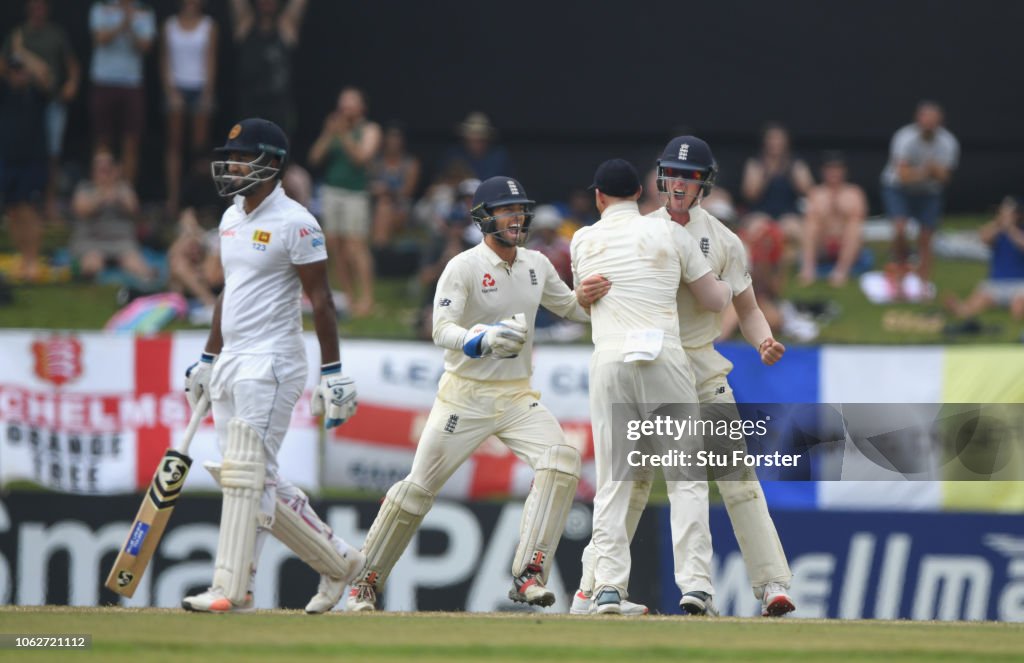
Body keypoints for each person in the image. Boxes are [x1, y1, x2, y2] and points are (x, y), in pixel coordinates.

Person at [344, 175, 611, 612]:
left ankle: (529, 574)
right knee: (417, 490)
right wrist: (481, 340)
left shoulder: (536, 264)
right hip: (463, 397)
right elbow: (440, 329)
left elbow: (573, 308)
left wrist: (593, 294)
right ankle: (364, 584)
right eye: (506, 210)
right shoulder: (463, 266)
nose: (516, 217)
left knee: (561, 460)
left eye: (520, 210)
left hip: (516, 396)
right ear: (484, 217)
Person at [572, 140, 795, 618]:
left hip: (701, 372)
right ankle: (594, 586)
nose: (678, 184)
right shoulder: (637, 229)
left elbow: (747, 307)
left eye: (689, 176)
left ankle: (771, 583)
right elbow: (593, 295)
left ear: (704, 184)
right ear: (658, 179)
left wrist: (762, 341)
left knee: (737, 479)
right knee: (629, 483)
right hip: (650, 369)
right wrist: (581, 293)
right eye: (672, 174)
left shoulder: (725, 241)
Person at [180, 118, 364, 613]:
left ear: (272, 164)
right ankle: (340, 561)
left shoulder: (297, 222)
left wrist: (333, 372)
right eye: (231, 156)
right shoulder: (231, 216)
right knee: (256, 479)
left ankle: (233, 586)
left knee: (246, 475)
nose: (234, 165)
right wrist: (206, 358)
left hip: (274, 361)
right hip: (232, 360)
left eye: (243, 157)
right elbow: (228, 293)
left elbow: (321, 300)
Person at [570, 158, 732, 615]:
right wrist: (728, 274)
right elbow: (714, 299)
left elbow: (589, 299)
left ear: (599, 197)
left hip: (609, 361)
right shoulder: (671, 233)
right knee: (685, 478)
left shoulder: (582, 240)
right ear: (641, 197)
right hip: (663, 354)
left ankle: (607, 587)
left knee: (614, 480)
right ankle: (696, 585)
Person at [3, 0, 80, 218]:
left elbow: (55, 72)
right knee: (17, 152)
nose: (38, 11)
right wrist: (12, 78)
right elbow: (4, 64)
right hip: (22, 104)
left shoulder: (55, 34)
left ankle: (49, 201)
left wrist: (72, 83)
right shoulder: (17, 34)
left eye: (41, 7)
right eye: (34, 7)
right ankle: (14, 203)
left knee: (52, 153)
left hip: (49, 99)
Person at [308, 86, 381, 317]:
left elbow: (362, 158)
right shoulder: (334, 128)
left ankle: (367, 297)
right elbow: (315, 158)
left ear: (361, 107)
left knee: (356, 245)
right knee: (336, 245)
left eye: (351, 102)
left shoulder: (370, 129)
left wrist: (344, 135)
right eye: (343, 102)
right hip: (331, 191)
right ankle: (349, 297)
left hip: (355, 193)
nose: (345, 107)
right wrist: (329, 134)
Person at [880, 100, 959, 281]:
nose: (929, 123)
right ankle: (900, 267)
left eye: (933, 119)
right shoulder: (904, 138)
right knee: (900, 228)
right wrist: (929, 171)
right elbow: (903, 176)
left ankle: (923, 281)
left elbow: (945, 177)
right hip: (898, 189)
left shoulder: (948, 142)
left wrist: (923, 173)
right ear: (918, 119)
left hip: (929, 193)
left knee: (926, 236)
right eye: (925, 118)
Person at [88, 0, 156, 185]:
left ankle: (126, 193)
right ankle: (101, 192)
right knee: (103, 139)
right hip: (104, 79)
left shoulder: (144, 11)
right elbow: (100, 38)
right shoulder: (101, 8)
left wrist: (131, 26)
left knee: (131, 140)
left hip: (131, 83)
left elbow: (145, 46)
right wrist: (123, 22)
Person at [160, 0, 217, 219]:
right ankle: (174, 199)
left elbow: (211, 60)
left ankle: (197, 201)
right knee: (174, 146)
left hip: (199, 87)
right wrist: (171, 91)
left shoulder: (209, 25)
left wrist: (207, 93)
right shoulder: (170, 25)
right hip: (177, 87)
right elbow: (164, 61)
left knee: (199, 151)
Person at [0, 50, 49, 281]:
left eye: (22, 71)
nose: (18, 75)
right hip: (8, 160)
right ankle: (23, 257)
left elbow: (45, 75)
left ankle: (32, 260)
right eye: (14, 70)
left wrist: (24, 54)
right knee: (12, 210)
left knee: (28, 209)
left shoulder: (36, 94)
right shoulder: (5, 92)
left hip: (32, 160)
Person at [69, 151, 154, 284]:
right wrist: (101, 196)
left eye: (107, 168)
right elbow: (80, 210)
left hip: (121, 242)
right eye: (100, 169)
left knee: (138, 267)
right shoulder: (84, 188)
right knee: (92, 265)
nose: (104, 173)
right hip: (91, 242)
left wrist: (116, 195)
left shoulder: (124, 188)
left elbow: (134, 209)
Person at [229, 0, 307, 134]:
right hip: (249, 102)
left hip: (279, 104)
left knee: (277, 150)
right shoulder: (245, 25)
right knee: (249, 150)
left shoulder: (286, 27)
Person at [944, 196, 1024, 321]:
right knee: (974, 304)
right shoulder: (998, 230)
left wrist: (1010, 228)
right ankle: (960, 309)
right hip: (996, 283)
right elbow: (983, 238)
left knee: (1018, 312)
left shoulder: (1018, 231)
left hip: (1020, 284)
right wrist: (999, 223)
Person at [799, 152, 868, 287]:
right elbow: (810, 218)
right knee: (811, 223)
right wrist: (825, 212)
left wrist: (842, 210)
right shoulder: (816, 193)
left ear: (843, 172)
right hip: (823, 244)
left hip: (845, 244)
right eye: (830, 169)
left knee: (854, 225)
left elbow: (860, 217)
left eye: (837, 169)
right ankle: (808, 269)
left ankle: (841, 271)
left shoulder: (854, 192)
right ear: (824, 172)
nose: (834, 173)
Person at [741, 123, 814, 235]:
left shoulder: (796, 163)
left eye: (779, 139)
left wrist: (793, 173)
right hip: (760, 212)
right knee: (757, 227)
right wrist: (766, 173)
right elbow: (750, 195)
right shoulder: (755, 164)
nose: (775, 143)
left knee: (794, 229)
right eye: (771, 139)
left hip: (789, 213)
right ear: (765, 142)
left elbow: (809, 191)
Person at [370, 121, 420, 247]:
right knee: (383, 207)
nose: (394, 141)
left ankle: (379, 248)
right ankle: (381, 247)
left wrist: (387, 190)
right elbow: (366, 185)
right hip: (374, 206)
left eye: (397, 137)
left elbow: (408, 191)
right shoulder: (375, 162)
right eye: (391, 136)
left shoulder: (410, 163)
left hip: (401, 206)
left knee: (384, 207)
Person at [439, 112, 512, 181]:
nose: (476, 143)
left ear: (487, 139)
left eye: (480, 139)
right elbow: (442, 181)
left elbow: (508, 184)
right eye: (472, 139)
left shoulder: (499, 157)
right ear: (465, 139)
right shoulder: (454, 155)